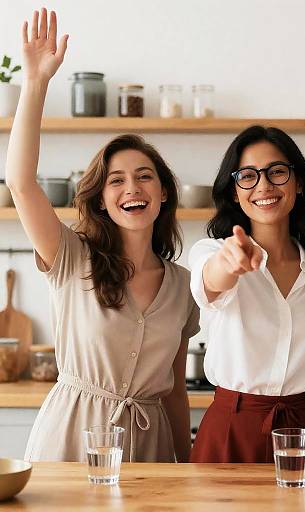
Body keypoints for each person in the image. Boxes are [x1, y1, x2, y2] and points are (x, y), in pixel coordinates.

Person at [5, 8, 199, 462]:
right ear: (101, 199)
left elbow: (173, 392)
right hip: (71, 440)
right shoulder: (71, 257)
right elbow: (20, 183)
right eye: (116, 180)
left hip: (148, 453)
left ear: (165, 194)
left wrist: (185, 471)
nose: (132, 187)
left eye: (144, 176)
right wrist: (35, 84)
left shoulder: (184, 285)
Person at [188, 125, 305, 463]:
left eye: (277, 172)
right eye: (247, 175)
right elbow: (211, 280)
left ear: (299, 182)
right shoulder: (213, 252)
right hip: (232, 430)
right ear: (234, 191)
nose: (263, 186)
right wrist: (230, 261)